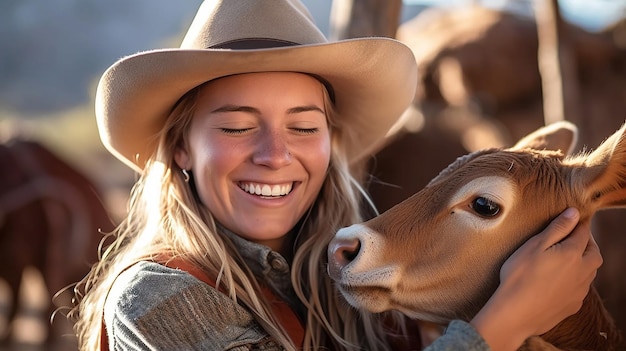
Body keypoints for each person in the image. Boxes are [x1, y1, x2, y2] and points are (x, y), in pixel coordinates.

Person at [70, 1, 602, 350]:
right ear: (182, 148)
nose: (275, 154)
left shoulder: (353, 272)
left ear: (330, 142)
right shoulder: (160, 297)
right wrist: (502, 326)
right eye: (236, 128)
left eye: (304, 126)